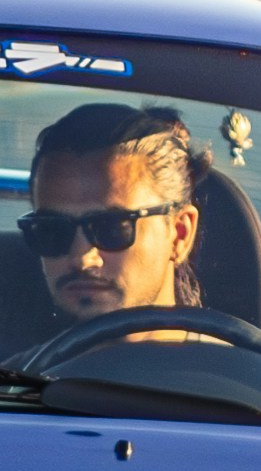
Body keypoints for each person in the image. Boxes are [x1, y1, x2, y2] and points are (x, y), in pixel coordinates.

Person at [15, 99, 206, 323]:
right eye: (51, 231)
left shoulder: (231, 359)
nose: (82, 259)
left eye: (113, 229)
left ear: (179, 234)